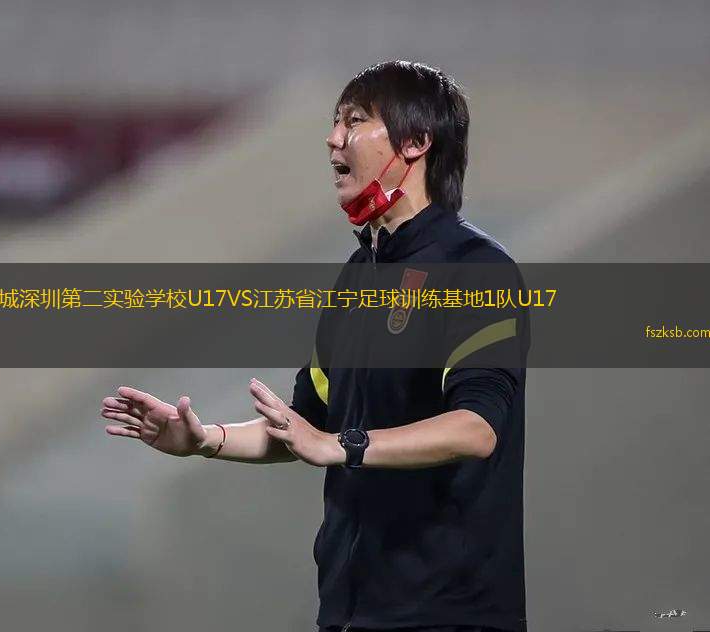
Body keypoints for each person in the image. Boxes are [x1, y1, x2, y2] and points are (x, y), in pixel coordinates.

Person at [101, 60, 529, 632]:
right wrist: (205, 439)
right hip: (349, 614)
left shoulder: (475, 269)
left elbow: (477, 428)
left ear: (416, 143)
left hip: (448, 615)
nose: (333, 138)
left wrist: (341, 444)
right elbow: (305, 424)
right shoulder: (357, 277)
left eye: (354, 120)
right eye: (335, 121)